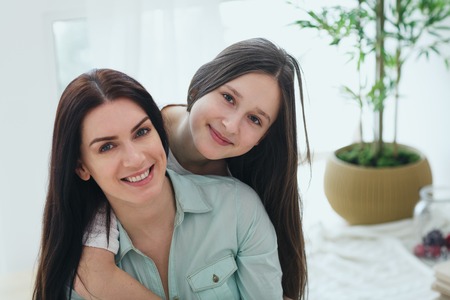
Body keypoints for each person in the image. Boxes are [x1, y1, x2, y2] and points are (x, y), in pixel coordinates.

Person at [78, 37, 311, 300]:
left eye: (255, 119)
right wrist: (95, 261)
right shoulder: (140, 142)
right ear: (199, 85)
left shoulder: (239, 197)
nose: (231, 125)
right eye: (228, 98)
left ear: (263, 138)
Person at [33, 68, 283, 300]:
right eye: (107, 147)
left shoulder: (238, 207)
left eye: (141, 132)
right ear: (81, 167)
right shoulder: (78, 271)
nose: (135, 159)